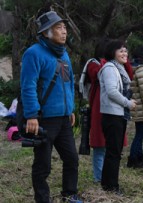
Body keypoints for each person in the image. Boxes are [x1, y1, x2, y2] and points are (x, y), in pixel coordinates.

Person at [20, 11, 82, 202]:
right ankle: (42, 199)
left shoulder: (63, 54)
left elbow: (69, 83)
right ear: (46, 32)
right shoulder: (33, 53)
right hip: (44, 119)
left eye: (64, 27)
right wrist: (31, 115)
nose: (64, 32)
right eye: (58, 28)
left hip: (63, 118)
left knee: (72, 158)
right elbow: (28, 85)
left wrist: (70, 109)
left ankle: (70, 194)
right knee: (43, 164)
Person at [98, 39, 137, 194]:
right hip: (112, 115)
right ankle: (111, 187)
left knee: (114, 151)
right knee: (113, 152)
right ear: (112, 53)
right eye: (121, 50)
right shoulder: (109, 68)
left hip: (118, 115)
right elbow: (112, 91)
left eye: (125, 50)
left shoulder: (119, 68)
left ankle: (108, 184)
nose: (124, 53)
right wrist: (128, 103)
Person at [86, 39, 109, 183]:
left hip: (109, 107)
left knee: (108, 144)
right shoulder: (93, 63)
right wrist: (106, 62)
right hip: (98, 107)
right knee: (100, 145)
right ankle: (98, 177)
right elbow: (98, 74)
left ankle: (105, 175)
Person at [127, 46, 143, 168]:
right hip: (141, 108)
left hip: (137, 107)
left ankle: (138, 156)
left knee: (140, 133)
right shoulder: (142, 70)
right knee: (140, 135)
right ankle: (133, 158)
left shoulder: (133, 67)